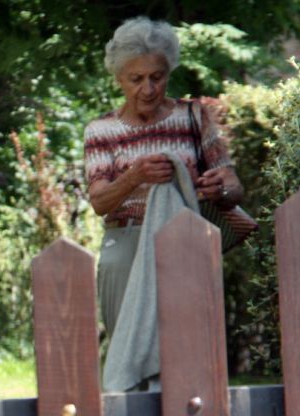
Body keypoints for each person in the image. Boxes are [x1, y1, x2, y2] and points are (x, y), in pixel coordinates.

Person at [84, 17, 244, 391]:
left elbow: (234, 189)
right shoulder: (101, 130)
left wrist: (221, 187)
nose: (148, 88)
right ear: (118, 79)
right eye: (135, 79)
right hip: (126, 242)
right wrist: (134, 177)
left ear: (168, 71)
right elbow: (99, 202)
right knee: (130, 359)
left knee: (190, 354)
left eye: (157, 76)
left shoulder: (194, 116)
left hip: (185, 243)